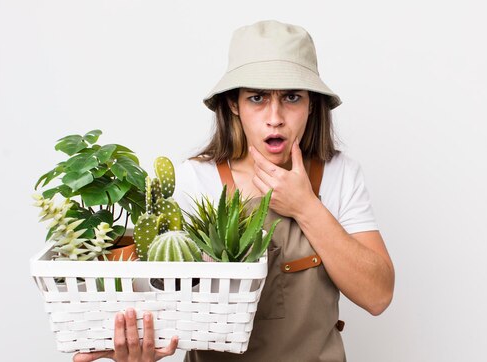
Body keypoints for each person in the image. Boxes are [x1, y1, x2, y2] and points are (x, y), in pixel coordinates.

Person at [74, 19, 394, 362]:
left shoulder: (339, 174)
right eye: (257, 98)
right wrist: (140, 345)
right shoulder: (196, 180)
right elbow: (161, 302)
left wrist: (306, 207)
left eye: (291, 97)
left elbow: (377, 296)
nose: (275, 117)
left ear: (312, 104)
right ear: (233, 104)